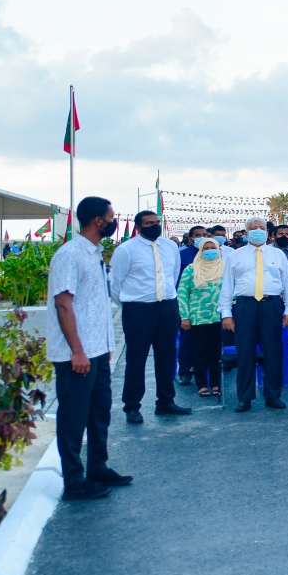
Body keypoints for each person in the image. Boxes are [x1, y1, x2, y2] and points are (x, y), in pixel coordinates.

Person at [47, 196, 131, 500]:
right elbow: (64, 304)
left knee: (98, 412)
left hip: (96, 350)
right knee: (73, 417)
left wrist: (104, 345)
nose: (113, 221)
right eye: (111, 217)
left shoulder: (93, 253)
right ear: (99, 221)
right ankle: (74, 481)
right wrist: (77, 351)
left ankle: (98, 467)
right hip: (76, 353)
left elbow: (94, 304)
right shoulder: (70, 255)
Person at [110, 210, 191, 423]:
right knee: (136, 359)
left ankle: (165, 402)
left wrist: (166, 298)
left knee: (166, 357)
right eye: (148, 223)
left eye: (156, 222)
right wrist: (131, 304)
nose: (154, 225)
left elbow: (173, 276)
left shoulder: (170, 246)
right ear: (138, 226)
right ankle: (132, 407)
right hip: (138, 310)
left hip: (167, 308)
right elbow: (115, 284)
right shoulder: (126, 250)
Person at [220, 217, 288, 413]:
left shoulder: (278, 255)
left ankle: (273, 395)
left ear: (267, 232)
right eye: (253, 228)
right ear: (246, 233)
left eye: (261, 228)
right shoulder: (235, 256)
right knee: (245, 353)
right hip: (245, 306)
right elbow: (227, 287)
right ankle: (244, 398)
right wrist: (226, 314)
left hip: (271, 306)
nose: (257, 231)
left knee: (273, 352)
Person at [178, 236, 226, 398]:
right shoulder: (191, 269)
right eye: (206, 249)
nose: (209, 251)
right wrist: (185, 316)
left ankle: (216, 384)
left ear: (219, 250)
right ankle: (201, 384)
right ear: (200, 250)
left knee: (216, 353)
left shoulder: (225, 268)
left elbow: (232, 292)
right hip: (197, 317)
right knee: (199, 353)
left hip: (219, 317)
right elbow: (182, 294)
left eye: (213, 248)